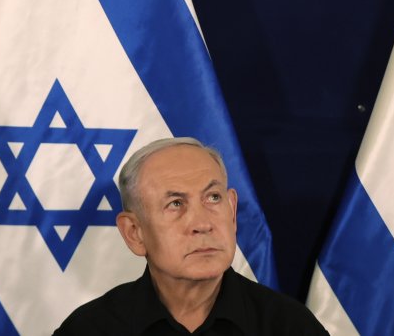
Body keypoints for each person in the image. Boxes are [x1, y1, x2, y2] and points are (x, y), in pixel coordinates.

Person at [54, 137, 328, 335]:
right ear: (134, 233)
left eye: (213, 197)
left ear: (232, 212)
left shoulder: (289, 327)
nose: (202, 224)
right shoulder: (90, 329)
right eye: (175, 203)